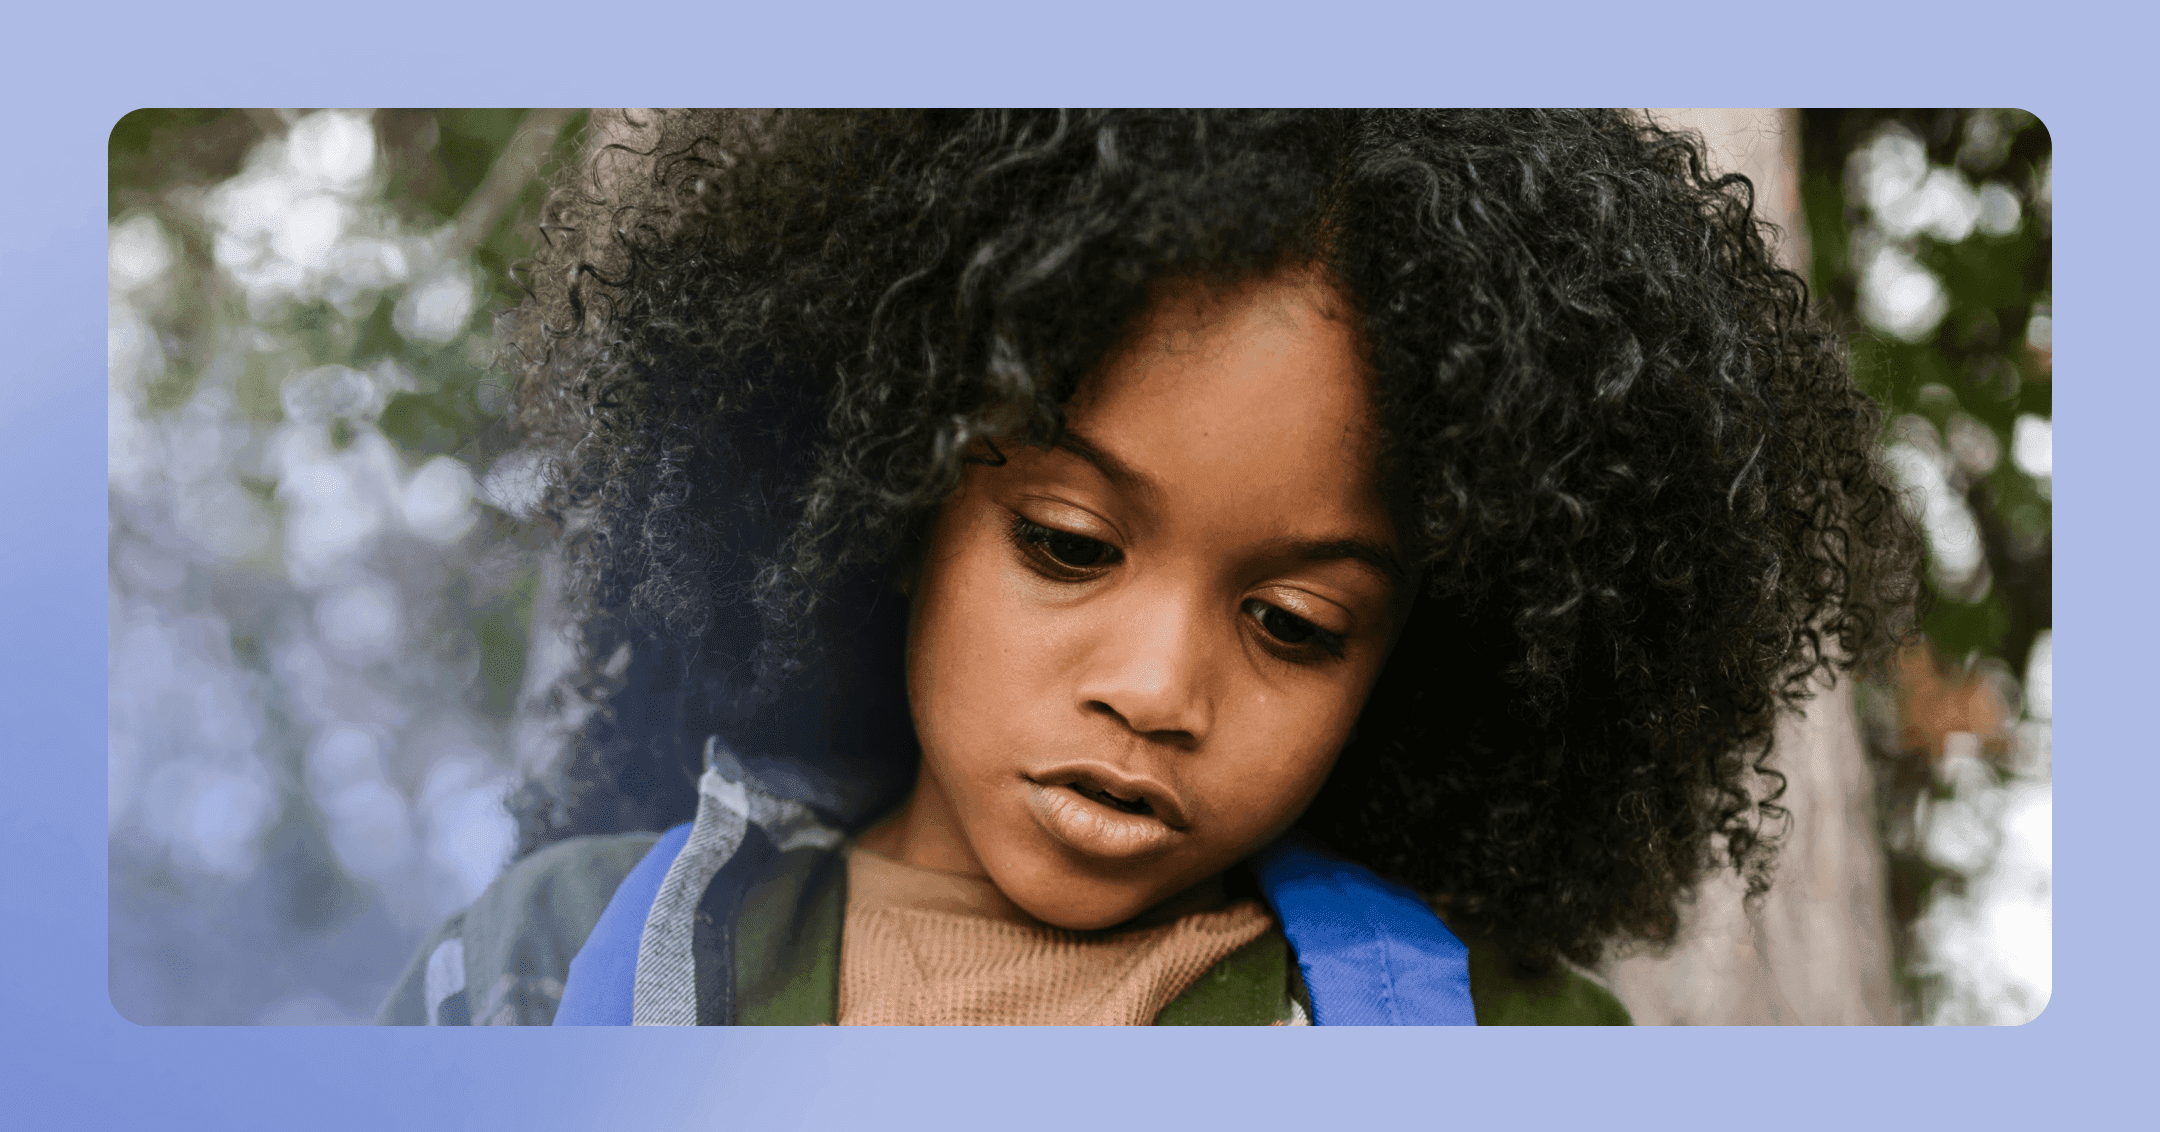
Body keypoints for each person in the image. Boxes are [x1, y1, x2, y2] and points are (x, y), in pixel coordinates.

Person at [378, 109, 1919, 1027]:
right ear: (888, 493)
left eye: (1297, 624)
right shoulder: (540, 968)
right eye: (1066, 544)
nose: (1159, 686)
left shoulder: (1494, 1045)